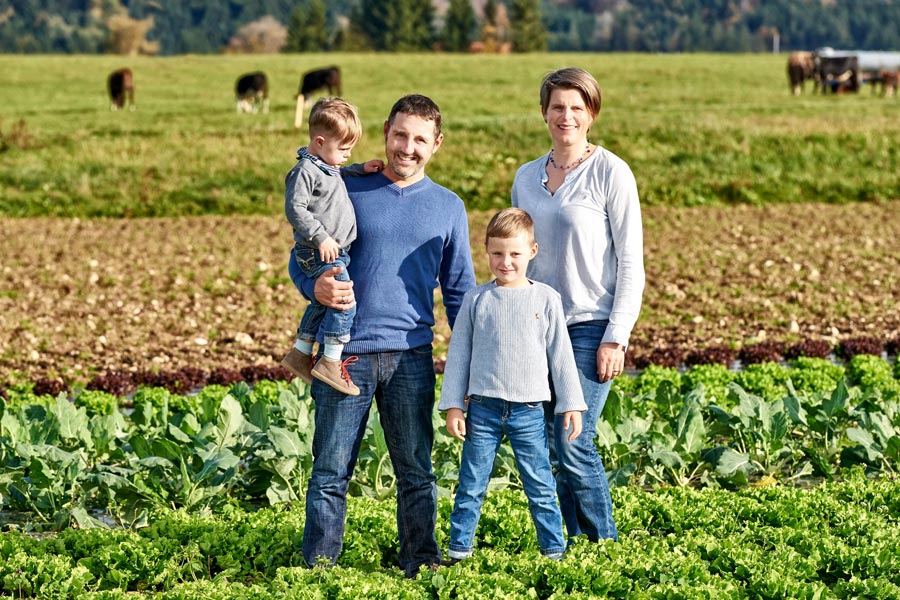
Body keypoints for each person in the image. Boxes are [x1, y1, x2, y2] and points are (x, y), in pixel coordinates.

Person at [289, 94, 476, 577]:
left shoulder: (449, 207)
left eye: (419, 139)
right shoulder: (347, 186)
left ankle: (421, 562)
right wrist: (315, 286)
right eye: (399, 135)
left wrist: (473, 365)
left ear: (437, 143)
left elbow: (459, 295)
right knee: (330, 472)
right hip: (343, 355)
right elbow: (301, 254)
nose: (406, 148)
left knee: (416, 472)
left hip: (412, 356)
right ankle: (319, 569)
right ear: (385, 133)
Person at [511, 67, 645, 543]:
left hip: (592, 327)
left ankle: (602, 545)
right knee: (548, 444)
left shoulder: (611, 172)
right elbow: (517, 258)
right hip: (538, 327)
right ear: (544, 113)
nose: (565, 116)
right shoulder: (526, 178)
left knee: (573, 438)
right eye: (557, 107)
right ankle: (567, 547)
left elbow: (631, 263)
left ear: (591, 114)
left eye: (576, 107)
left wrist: (617, 335)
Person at [438, 207, 587, 563]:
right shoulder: (477, 299)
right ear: (487, 251)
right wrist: (454, 405)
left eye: (515, 254)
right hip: (483, 411)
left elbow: (561, 357)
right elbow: (458, 354)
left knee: (539, 484)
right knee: (471, 483)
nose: (506, 262)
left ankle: (553, 551)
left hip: (529, 411)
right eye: (497, 253)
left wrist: (572, 403)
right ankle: (459, 550)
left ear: (532, 252)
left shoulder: (546, 299)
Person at [280, 97, 383, 395]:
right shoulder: (304, 172)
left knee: (322, 303)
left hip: (334, 250)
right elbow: (295, 209)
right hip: (319, 250)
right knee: (343, 302)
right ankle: (330, 361)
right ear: (320, 141)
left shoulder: (326, 165)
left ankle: (300, 354)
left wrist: (361, 167)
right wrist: (321, 236)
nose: (347, 155)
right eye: (344, 149)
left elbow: (339, 173)